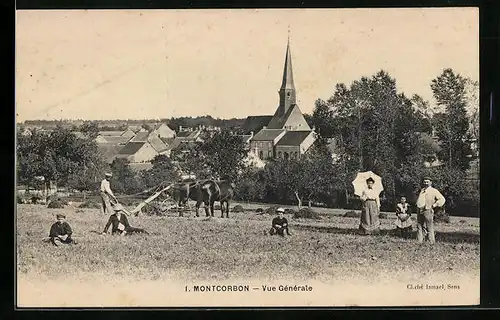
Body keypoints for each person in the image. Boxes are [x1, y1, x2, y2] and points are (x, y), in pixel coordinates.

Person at [415, 177, 446, 244]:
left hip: (428, 210)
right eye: (424, 182)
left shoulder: (434, 191)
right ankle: (419, 241)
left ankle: (431, 242)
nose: (426, 183)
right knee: (419, 226)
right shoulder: (422, 190)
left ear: (431, 182)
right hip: (420, 209)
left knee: (429, 226)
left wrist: (434, 205)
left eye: (427, 182)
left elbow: (442, 199)